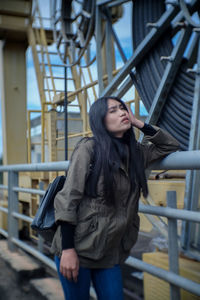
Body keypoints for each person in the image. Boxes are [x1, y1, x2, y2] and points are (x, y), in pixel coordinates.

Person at [51, 96, 179, 300]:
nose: (122, 113)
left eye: (123, 108)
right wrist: (67, 249)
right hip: (78, 249)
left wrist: (139, 123)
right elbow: (68, 199)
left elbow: (170, 146)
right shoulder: (89, 149)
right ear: (100, 120)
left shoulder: (137, 153)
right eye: (113, 110)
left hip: (110, 254)